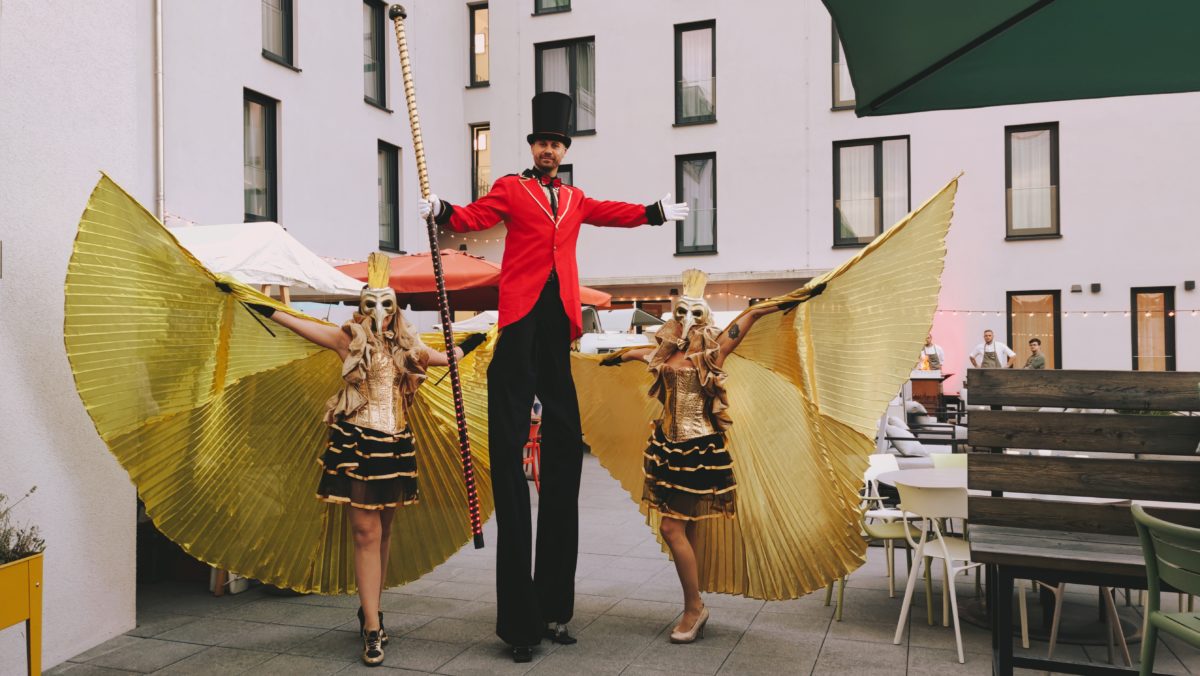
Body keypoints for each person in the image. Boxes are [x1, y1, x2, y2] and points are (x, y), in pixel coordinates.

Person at [418, 91, 690, 662]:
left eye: (555, 144)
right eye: (541, 142)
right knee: (514, 478)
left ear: (564, 151)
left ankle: (555, 612)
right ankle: (519, 623)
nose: (548, 150)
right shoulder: (511, 190)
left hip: (558, 325)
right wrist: (443, 212)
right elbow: (475, 217)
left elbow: (611, 212)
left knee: (562, 470)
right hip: (518, 322)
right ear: (533, 147)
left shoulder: (573, 197)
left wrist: (654, 212)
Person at [251, 253, 486, 666]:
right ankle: (373, 629)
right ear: (360, 306)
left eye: (386, 304)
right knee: (365, 532)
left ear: (396, 308)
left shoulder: (409, 347)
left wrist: (477, 338)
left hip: (395, 443)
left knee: (384, 530)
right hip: (358, 441)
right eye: (370, 303)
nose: (378, 311)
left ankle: (370, 609)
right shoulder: (349, 339)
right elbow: (307, 328)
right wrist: (266, 307)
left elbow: (450, 358)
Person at [600, 270, 811, 643]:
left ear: (706, 318)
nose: (685, 320)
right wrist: (610, 358)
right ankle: (693, 603)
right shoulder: (663, 352)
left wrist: (771, 306)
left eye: (694, 314)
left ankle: (694, 608)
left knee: (671, 527)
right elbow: (637, 355)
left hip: (698, 450)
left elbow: (743, 324)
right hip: (667, 446)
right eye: (680, 313)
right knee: (687, 526)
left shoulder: (710, 353)